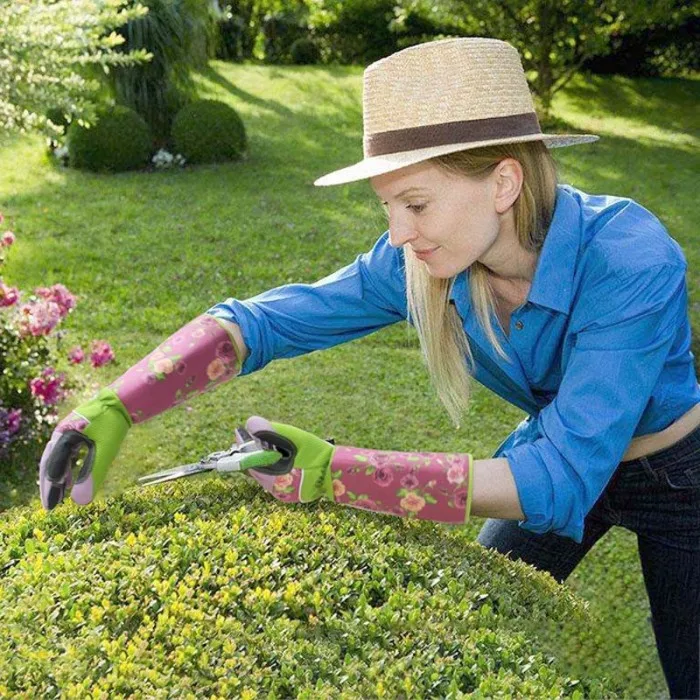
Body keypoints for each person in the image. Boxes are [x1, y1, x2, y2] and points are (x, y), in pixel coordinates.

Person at [39, 38, 699, 698]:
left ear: (504, 182)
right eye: (387, 207)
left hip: (676, 478)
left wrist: (340, 473)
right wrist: (118, 405)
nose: (398, 234)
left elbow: (560, 481)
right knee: (462, 625)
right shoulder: (422, 264)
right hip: (549, 447)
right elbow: (262, 324)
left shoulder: (630, 260)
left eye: (415, 204)